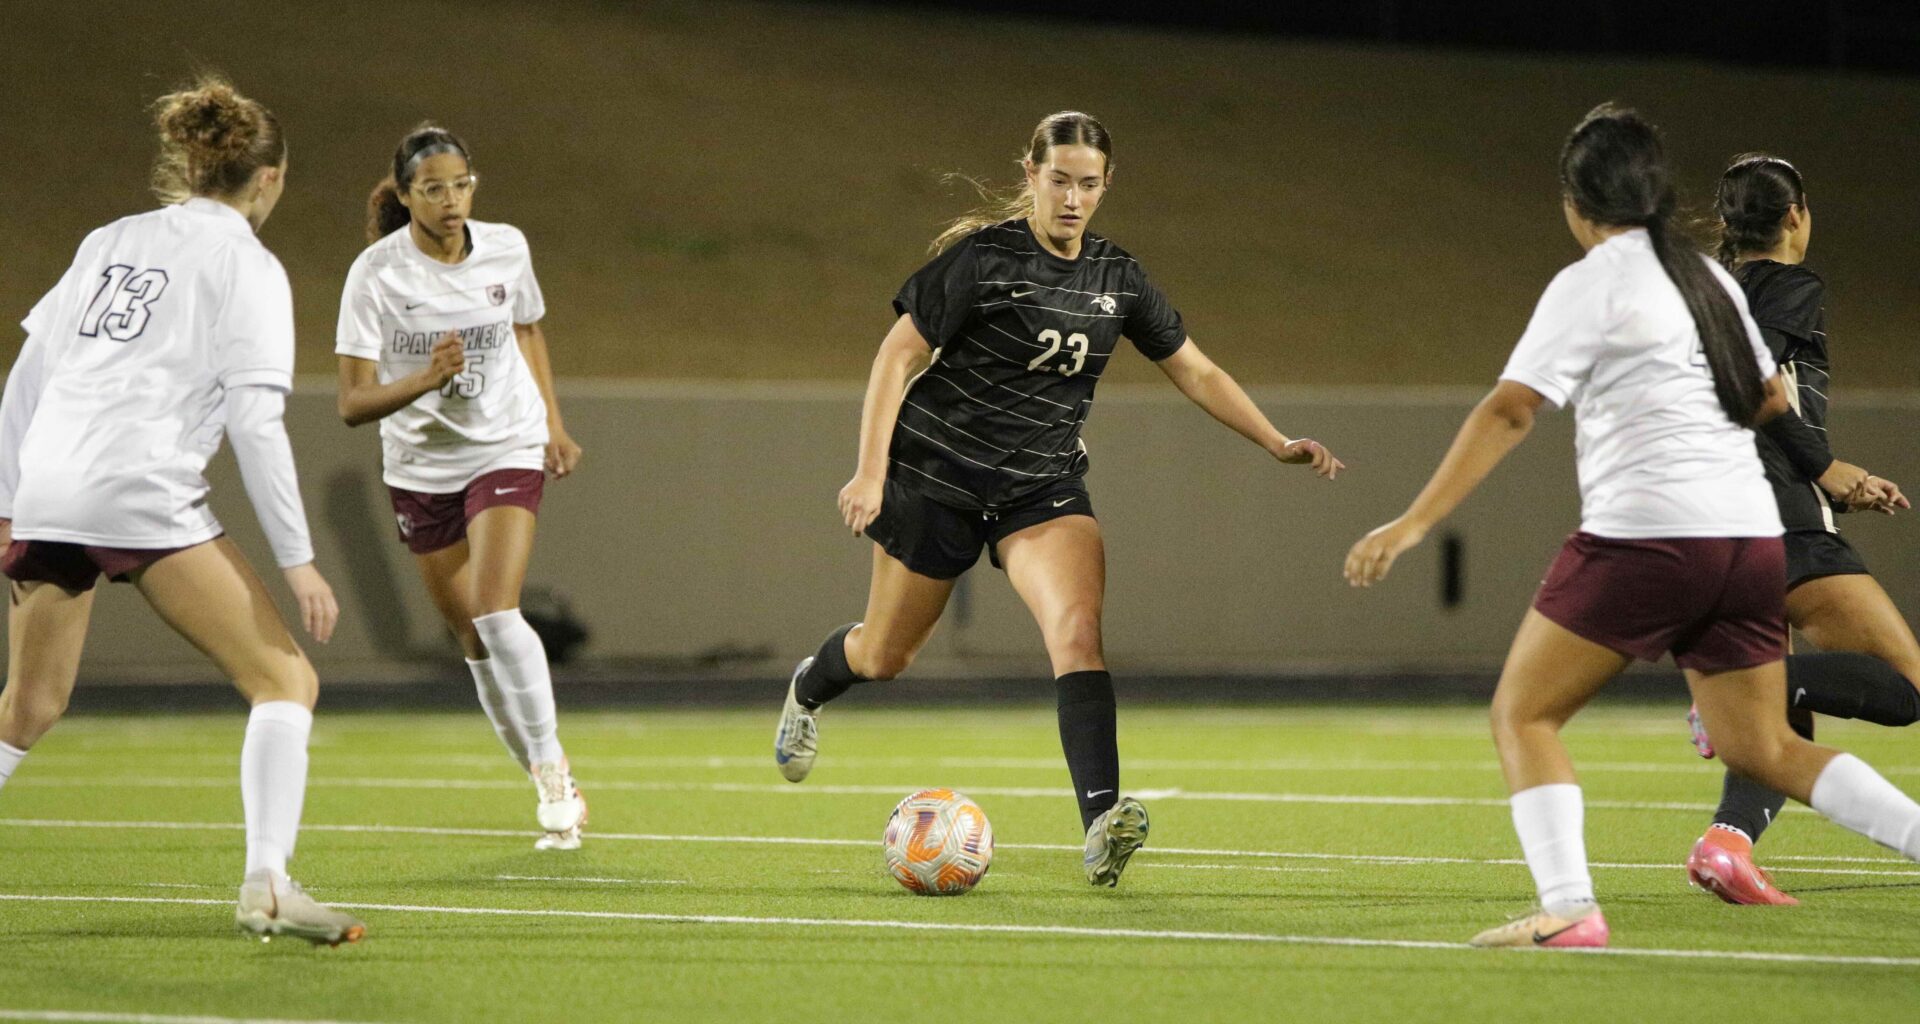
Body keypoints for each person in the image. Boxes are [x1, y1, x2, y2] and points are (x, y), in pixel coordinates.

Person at [1343, 104, 1920, 948]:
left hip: (1648, 536)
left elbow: (1511, 411)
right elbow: (1768, 400)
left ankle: (1570, 906)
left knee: (1523, 715)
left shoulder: (1593, 281)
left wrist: (1414, 522)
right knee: (1766, 747)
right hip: (1751, 541)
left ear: (1577, 204)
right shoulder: (1710, 279)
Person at [773, 111, 1343, 887]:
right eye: (1059, 180)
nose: (1072, 198)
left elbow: (1197, 370)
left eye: (1088, 184)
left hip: (1039, 488)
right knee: (885, 654)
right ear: (1031, 175)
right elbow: (896, 356)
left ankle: (1102, 824)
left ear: (1107, 186)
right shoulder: (984, 260)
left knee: (1077, 634)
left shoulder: (1118, 278)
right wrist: (870, 472)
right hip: (936, 476)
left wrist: (1274, 439)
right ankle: (811, 685)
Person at [0, 76, 362, 945]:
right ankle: (268, 884)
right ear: (267, 179)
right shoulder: (248, 265)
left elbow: (28, 376)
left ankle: (271, 885)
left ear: (191, 163)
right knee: (285, 681)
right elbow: (256, 418)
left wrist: (10, 500)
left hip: (50, 484)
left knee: (29, 707)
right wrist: (298, 556)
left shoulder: (112, 238)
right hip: (140, 491)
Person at [336, 125, 587, 851]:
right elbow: (352, 404)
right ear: (407, 195)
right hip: (419, 467)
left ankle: (549, 773)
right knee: (472, 640)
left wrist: (550, 424)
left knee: (496, 608)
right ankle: (552, 774)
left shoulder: (507, 246)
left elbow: (528, 330)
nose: (451, 200)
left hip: (504, 444)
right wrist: (424, 378)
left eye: (461, 184)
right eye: (433, 189)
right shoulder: (376, 274)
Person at [1683, 153, 1918, 905]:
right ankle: (1731, 693)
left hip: (1703, 526)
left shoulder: (1703, 291)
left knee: (1774, 730)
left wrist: (1829, 468)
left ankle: (1728, 842)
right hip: (1776, 520)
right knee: (1909, 686)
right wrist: (1823, 470)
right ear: (1795, 216)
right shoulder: (1790, 284)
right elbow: (1749, 381)